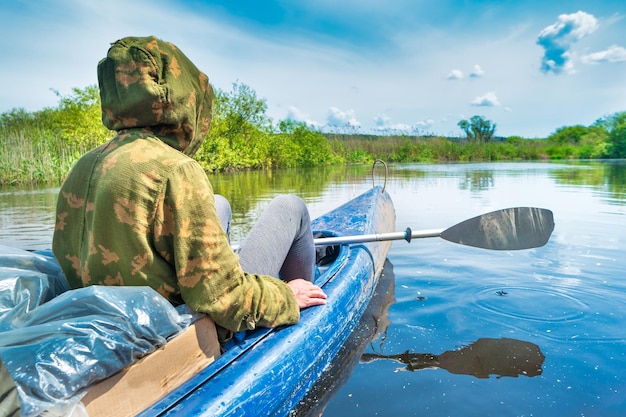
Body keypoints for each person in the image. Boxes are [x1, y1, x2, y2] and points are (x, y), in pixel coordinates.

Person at [52, 36, 326, 342]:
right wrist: (286, 296)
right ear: (181, 97)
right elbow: (224, 299)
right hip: (182, 329)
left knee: (218, 203)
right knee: (291, 207)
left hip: (116, 321)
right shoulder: (175, 169)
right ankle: (309, 307)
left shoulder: (84, 165)